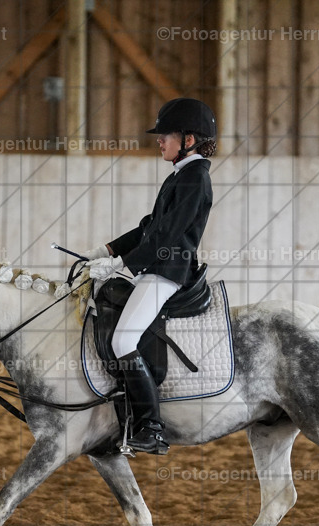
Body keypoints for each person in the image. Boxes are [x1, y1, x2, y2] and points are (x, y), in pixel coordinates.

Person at [85, 97, 216, 454]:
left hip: (167, 272)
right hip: (155, 267)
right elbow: (149, 226)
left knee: (123, 341)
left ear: (188, 140)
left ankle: (152, 427)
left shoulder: (195, 178)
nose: (159, 141)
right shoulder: (182, 175)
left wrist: (123, 265)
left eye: (166, 136)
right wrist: (108, 250)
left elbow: (168, 234)